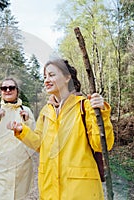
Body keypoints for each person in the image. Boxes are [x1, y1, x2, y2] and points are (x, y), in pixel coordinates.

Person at [7, 59, 114, 200]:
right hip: (49, 189)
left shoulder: (85, 106)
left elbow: (101, 145)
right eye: (45, 77)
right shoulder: (46, 111)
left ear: (67, 77)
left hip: (80, 191)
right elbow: (39, 144)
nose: (46, 80)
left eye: (51, 75)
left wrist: (102, 114)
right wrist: (23, 131)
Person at [0, 78, 35, 200]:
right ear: (0, 91)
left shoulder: (26, 111)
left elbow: (35, 139)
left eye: (11, 88)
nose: (8, 90)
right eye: (4, 88)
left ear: (17, 91)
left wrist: (28, 121)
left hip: (22, 167)